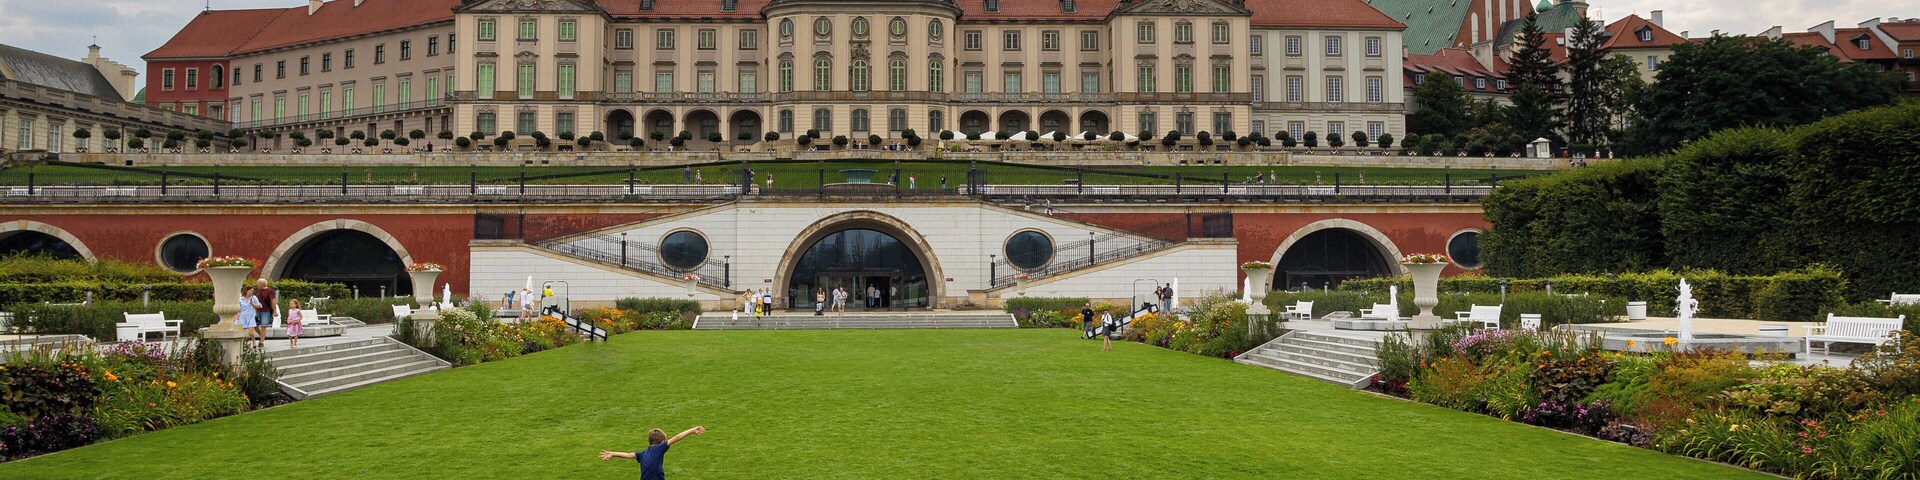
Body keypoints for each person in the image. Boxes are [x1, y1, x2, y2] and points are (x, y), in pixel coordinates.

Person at [599, 426, 707, 480]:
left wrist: (612, 453)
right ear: (662, 442)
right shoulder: (660, 448)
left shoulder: (642, 454)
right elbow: (676, 437)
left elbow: (628, 455)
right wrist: (692, 430)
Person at [254, 279, 278, 349]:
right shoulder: (257, 291)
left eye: (258, 283)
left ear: (262, 284)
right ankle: (262, 336)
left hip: (266, 311)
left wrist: (275, 311)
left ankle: (262, 341)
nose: (257, 285)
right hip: (257, 311)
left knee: (263, 326)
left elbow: (273, 301)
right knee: (255, 325)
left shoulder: (270, 291)